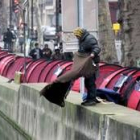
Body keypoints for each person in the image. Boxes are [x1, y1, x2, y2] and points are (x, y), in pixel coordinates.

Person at [73, 27, 101, 106]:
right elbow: (82, 50)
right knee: (88, 82)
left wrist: (93, 54)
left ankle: (92, 99)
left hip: (92, 64)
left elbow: (97, 48)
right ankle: (90, 98)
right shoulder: (82, 40)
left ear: (80, 34)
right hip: (87, 64)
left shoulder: (89, 39)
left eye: (77, 36)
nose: (76, 37)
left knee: (90, 82)